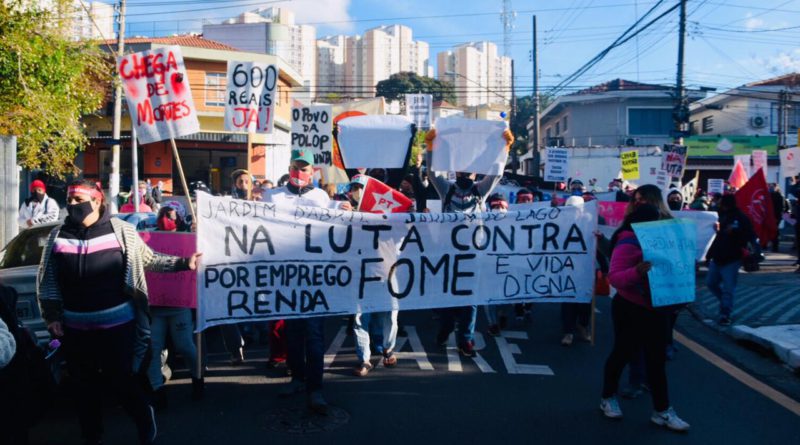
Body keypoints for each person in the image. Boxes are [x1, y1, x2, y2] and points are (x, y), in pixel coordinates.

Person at [37, 179, 202, 445]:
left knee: (121, 381)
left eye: (79, 200)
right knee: (83, 386)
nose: (72, 205)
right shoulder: (58, 236)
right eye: (69, 200)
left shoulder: (121, 231)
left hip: (117, 325)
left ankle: (144, 419)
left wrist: (184, 263)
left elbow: (149, 259)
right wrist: (52, 315)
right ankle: (92, 435)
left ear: (97, 200)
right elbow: (48, 278)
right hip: (75, 327)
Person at [260, 149, 352, 414]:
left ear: (312, 173)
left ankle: (315, 389)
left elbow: (336, 224)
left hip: (314, 278)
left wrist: (345, 210)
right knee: (292, 333)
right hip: (286, 277)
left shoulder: (321, 198)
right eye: (295, 167)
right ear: (289, 168)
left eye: (304, 169)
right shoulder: (273, 195)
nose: (299, 173)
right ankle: (297, 378)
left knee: (313, 335)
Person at [599, 203, 691, 432]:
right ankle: (608, 397)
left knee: (656, 360)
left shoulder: (667, 243)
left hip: (657, 309)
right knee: (622, 353)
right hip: (630, 308)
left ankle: (662, 410)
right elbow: (616, 278)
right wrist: (637, 272)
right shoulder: (628, 243)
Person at [425, 128, 513, 357]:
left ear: (475, 172)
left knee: (470, 298)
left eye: (469, 170)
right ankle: (445, 330)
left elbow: (495, 174)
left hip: (473, 254)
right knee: (448, 296)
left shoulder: (480, 191)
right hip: (448, 253)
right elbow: (432, 174)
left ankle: (466, 339)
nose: (465, 173)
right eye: (461, 169)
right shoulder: (447, 189)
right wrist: (430, 149)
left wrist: (504, 149)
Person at [148, 208, 203, 408]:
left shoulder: (188, 237)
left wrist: (199, 235)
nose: (165, 219)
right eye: (163, 215)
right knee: (153, 349)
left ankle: (198, 378)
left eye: (170, 216)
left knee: (185, 346)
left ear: (178, 218)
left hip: (180, 305)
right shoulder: (148, 238)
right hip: (155, 307)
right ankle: (157, 390)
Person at [346, 175, 400, 376]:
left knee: (389, 316)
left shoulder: (389, 214)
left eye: (361, 188)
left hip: (387, 272)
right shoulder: (345, 214)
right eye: (354, 188)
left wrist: (416, 216)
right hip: (359, 275)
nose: (358, 192)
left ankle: (388, 348)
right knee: (360, 318)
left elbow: (407, 232)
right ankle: (364, 359)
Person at [705, 194, 755, 326]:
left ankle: (725, 313)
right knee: (710, 283)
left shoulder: (741, 217)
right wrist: (709, 255)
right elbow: (716, 238)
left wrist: (735, 231)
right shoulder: (720, 216)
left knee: (728, 288)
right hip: (717, 256)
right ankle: (725, 302)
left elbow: (749, 235)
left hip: (732, 258)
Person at [560, 196, 593, 346]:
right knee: (568, 301)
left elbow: (595, 247)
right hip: (566, 268)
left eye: (576, 209)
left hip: (585, 269)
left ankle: (583, 325)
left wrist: (604, 267)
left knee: (585, 301)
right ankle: (568, 331)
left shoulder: (590, 223)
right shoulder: (560, 224)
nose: (573, 212)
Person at [485, 193, 510, 336]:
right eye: (495, 206)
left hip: (507, 264)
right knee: (488, 294)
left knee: (505, 292)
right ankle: (492, 323)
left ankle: (502, 313)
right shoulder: (483, 222)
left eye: (502, 206)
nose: (499, 209)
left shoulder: (516, 222)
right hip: (488, 264)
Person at [769, 183, 788, 252]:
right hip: (771, 216)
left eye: (772, 186)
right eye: (770, 186)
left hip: (776, 216)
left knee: (775, 231)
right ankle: (771, 245)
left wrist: (777, 217)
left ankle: (775, 247)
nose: (770, 188)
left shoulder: (779, 196)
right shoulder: (770, 195)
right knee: (772, 230)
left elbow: (781, 208)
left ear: (776, 187)